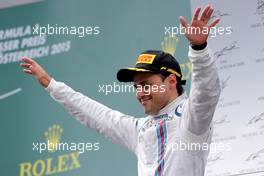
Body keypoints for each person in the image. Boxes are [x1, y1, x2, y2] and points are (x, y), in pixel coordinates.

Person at [20, 5, 221, 176]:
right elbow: (95, 114)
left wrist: (199, 49)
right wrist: (51, 84)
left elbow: (206, 93)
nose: (139, 93)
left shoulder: (190, 118)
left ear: (170, 81)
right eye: (136, 87)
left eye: (146, 85)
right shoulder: (139, 129)